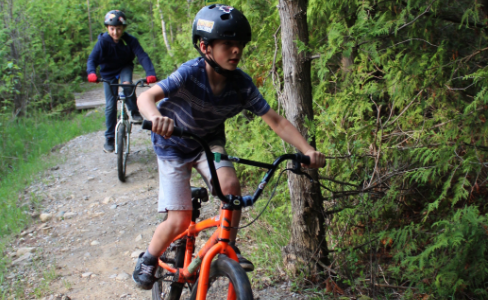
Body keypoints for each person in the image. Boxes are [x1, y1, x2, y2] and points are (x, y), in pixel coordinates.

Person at [130, 3, 326, 290]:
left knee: (231, 187)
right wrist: (156, 117)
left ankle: (227, 247)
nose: (236, 51)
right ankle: (148, 258)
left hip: (207, 142)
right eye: (227, 45)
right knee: (180, 219)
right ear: (205, 47)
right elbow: (146, 97)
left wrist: (307, 150)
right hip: (172, 143)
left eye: (240, 45)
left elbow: (276, 121)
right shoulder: (189, 73)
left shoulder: (241, 85)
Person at [86, 9, 158, 153]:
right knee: (110, 105)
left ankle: (134, 111)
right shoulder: (102, 42)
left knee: (127, 85)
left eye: (118, 29)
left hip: (124, 67)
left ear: (123, 28)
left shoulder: (130, 40)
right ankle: (109, 138)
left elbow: (142, 56)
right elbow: (92, 59)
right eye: (112, 29)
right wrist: (91, 73)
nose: (115, 32)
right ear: (107, 28)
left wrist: (150, 72)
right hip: (108, 72)